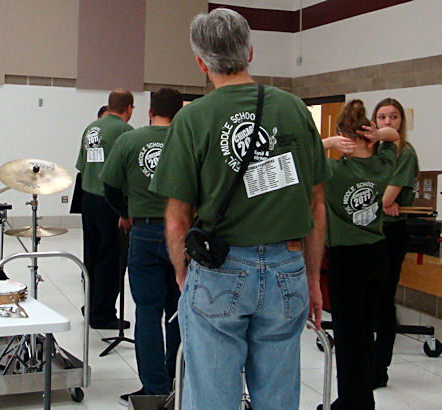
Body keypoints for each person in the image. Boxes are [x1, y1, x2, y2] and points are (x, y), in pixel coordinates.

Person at [149, 9, 329, 410]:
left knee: (212, 395)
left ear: (200, 62)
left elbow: (178, 218)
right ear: (251, 51)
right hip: (289, 266)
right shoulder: (296, 110)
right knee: (279, 395)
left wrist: (183, 274)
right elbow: (317, 208)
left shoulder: (192, 119)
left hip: (218, 270)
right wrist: (314, 280)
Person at [100, 88, 183, 405]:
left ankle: (154, 389)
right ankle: (177, 379)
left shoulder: (130, 141)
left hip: (144, 232)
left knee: (147, 314)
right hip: (182, 237)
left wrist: (125, 213)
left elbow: (109, 185)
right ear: (179, 113)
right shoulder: (187, 140)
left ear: (149, 111)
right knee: (177, 313)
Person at [320, 99, 400, 410]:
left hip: (346, 259)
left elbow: (300, 153)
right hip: (377, 255)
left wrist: (326, 142)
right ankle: (361, 399)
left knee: (348, 336)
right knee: (366, 331)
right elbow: (394, 136)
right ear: (368, 134)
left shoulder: (333, 170)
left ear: (343, 138)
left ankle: (354, 403)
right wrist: (380, 135)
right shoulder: (382, 165)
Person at [75, 89, 135, 329]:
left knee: (91, 255)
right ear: (129, 108)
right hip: (110, 201)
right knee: (112, 259)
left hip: (87, 198)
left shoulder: (92, 128)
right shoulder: (125, 132)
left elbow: (82, 165)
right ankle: (103, 313)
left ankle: (89, 306)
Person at [371, 99, 419, 389]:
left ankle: (380, 369)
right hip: (368, 231)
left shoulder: (405, 154)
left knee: (384, 301)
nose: (388, 122)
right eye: (382, 117)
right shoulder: (374, 151)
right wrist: (379, 200)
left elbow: (385, 198)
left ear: (401, 121)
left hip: (391, 234)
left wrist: (381, 200)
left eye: (394, 116)